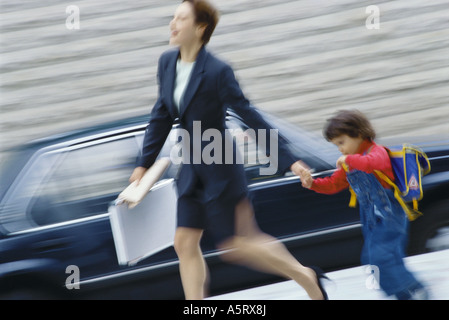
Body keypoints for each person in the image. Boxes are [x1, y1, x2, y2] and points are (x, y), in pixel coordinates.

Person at [129, 0, 328, 300]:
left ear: (200, 27)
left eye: (181, 18)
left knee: (238, 245)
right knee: (184, 242)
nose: (172, 24)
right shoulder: (167, 63)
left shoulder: (218, 71)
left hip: (221, 167)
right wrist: (144, 164)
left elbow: (247, 114)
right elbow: (161, 114)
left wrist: (288, 160)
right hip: (191, 167)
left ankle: (305, 275)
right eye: (173, 17)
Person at [298, 109, 429, 300]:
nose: (340, 150)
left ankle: (415, 288)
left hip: (390, 215)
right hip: (370, 218)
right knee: (372, 259)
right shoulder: (349, 162)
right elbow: (334, 184)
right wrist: (312, 184)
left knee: (381, 258)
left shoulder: (377, 152)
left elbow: (372, 164)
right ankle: (404, 294)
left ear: (358, 134)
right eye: (337, 146)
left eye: (341, 143)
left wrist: (348, 159)